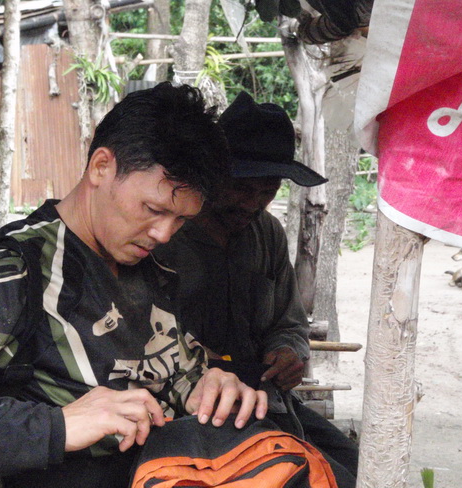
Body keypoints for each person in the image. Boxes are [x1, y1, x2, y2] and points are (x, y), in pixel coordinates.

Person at [0, 83, 267, 488]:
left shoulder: (149, 270)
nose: (164, 234)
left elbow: (174, 370)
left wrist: (208, 387)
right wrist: (55, 427)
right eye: (152, 209)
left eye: (180, 219)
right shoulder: (15, 271)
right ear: (101, 167)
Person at [154, 91, 359, 487]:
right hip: (189, 404)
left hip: (265, 400)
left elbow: (289, 322)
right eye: (242, 187)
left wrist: (289, 352)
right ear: (214, 174)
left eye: (268, 190)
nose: (253, 203)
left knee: (352, 465)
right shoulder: (165, 235)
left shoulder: (269, 234)